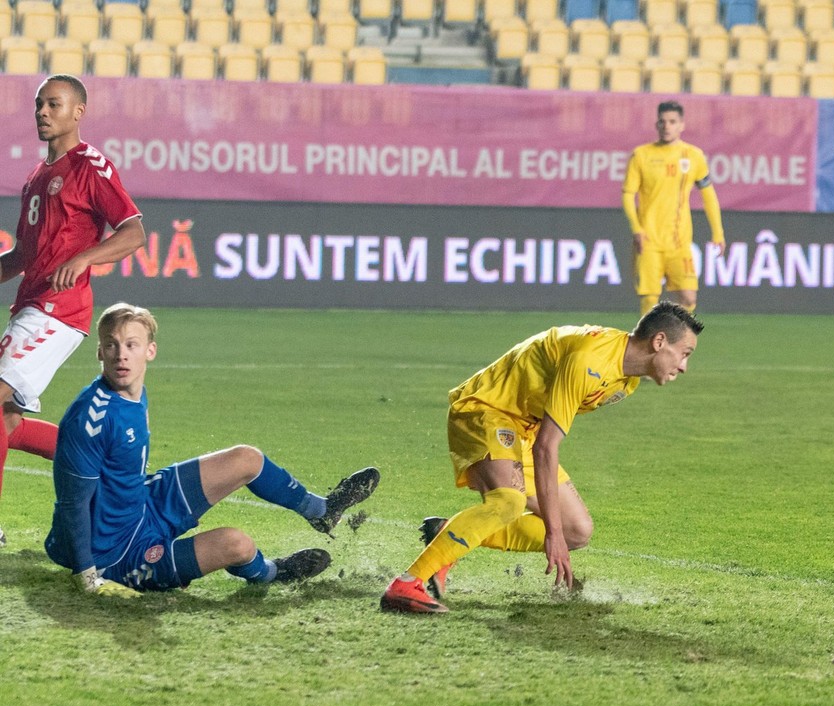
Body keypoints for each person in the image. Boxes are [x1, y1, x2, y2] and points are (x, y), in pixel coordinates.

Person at [381, 301, 704, 615]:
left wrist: (560, 533)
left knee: (576, 530)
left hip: (523, 428)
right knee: (508, 502)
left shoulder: (625, 382)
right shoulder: (589, 361)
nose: (684, 366)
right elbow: (546, 448)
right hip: (487, 409)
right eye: (684, 354)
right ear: (659, 341)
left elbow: (543, 437)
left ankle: (450, 535)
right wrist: (551, 534)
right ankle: (406, 585)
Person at [45, 303, 381, 596]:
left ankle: (322, 511)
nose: (121, 354)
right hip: (116, 554)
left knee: (247, 459)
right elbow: (73, 502)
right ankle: (272, 574)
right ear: (99, 352)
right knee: (237, 544)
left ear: (150, 351)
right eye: (112, 345)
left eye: (131, 344)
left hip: (145, 503)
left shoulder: (133, 391)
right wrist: (88, 575)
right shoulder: (91, 417)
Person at [0, 74, 145, 546]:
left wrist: (84, 257)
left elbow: (133, 231)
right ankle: (100, 468)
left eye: (54, 104)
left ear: (78, 111)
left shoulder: (91, 166)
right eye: (39, 104)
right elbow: (23, 256)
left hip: (60, 310)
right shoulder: (35, 178)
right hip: (30, 305)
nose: (43, 112)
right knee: (7, 422)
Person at [622, 101, 725, 316]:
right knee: (650, 297)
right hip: (649, 240)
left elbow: (709, 195)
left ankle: (676, 345)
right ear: (656, 125)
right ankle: (648, 347)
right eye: (662, 122)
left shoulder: (693, 156)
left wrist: (718, 232)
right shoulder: (641, 155)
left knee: (688, 298)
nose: (667, 126)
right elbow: (628, 195)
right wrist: (637, 229)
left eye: (672, 122)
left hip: (679, 242)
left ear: (682, 125)